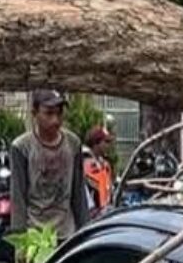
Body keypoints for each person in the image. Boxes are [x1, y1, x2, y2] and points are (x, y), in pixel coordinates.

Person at [10, 89, 88, 246]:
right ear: (34, 113)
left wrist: (84, 231)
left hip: (66, 233)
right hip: (35, 235)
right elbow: (18, 196)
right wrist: (20, 242)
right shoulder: (22, 147)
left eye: (59, 113)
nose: (55, 120)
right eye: (49, 113)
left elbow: (78, 193)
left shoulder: (73, 144)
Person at [83, 125, 114, 212]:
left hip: (104, 212)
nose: (108, 146)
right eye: (106, 142)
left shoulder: (104, 164)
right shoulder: (86, 163)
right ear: (96, 142)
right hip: (92, 214)